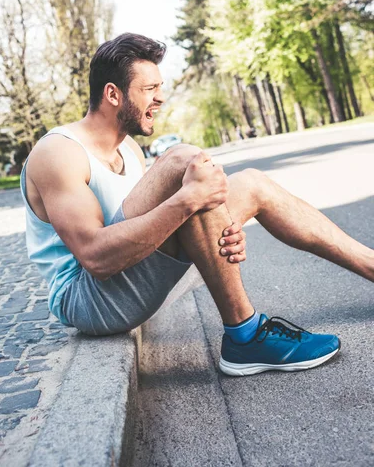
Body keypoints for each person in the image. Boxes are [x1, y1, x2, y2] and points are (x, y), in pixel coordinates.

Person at [20, 33, 374, 377]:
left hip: (129, 274)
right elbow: (96, 258)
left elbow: (165, 224)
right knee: (183, 163)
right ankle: (245, 335)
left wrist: (220, 224)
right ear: (113, 94)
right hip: (89, 300)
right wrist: (189, 202)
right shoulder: (59, 153)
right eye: (149, 89)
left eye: (159, 88)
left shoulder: (129, 150)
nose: (159, 99)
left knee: (251, 183)